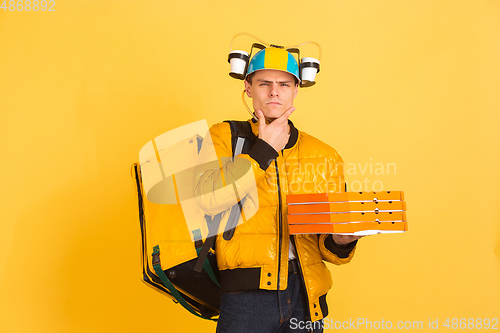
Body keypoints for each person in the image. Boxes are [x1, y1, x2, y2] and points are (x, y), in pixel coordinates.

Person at [194, 46, 362, 333]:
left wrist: (342, 241)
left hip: (306, 296)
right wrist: (264, 150)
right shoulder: (222, 137)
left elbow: (326, 245)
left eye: (284, 84)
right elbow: (207, 201)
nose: (274, 92)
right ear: (248, 87)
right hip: (246, 296)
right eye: (264, 83)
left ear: (296, 89)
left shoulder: (325, 155)